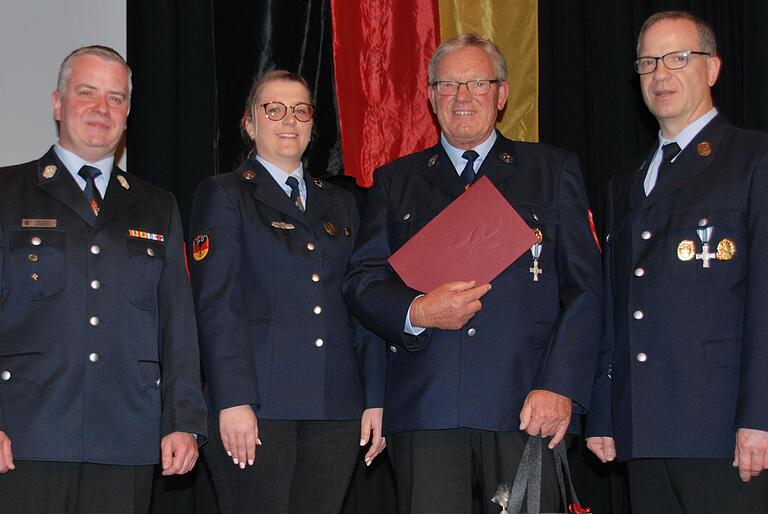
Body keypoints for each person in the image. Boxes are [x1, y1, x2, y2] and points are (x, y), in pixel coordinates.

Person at [342, 34, 602, 514]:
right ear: (430, 97)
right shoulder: (395, 180)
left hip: (526, 403)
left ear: (501, 94)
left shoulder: (550, 170)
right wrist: (416, 310)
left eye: (477, 83)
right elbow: (361, 282)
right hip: (427, 406)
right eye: (448, 84)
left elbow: (584, 289)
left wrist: (560, 385)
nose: (462, 96)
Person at [0, 46, 207, 513]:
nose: (101, 108)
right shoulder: (7, 193)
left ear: (128, 112)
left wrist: (183, 420)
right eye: (87, 92)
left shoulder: (157, 206)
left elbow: (178, 326)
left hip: (126, 434)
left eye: (116, 98)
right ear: (58, 103)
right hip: (27, 435)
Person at [586, 11, 768, 513]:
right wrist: (604, 412)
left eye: (678, 58)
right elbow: (616, 304)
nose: (660, 74)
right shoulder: (627, 182)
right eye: (647, 63)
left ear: (713, 69)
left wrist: (761, 417)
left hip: (723, 428)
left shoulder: (752, 159)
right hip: (643, 426)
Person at [189, 70, 386, 514]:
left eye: (301, 110)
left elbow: (363, 303)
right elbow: (216, 305)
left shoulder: (340, 202)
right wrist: (233, 398)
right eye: (273, 109)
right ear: (249, 122)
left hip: (336, 406)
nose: (288, 120)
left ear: (313, 124)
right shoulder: (224, 194)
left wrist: (374, 397)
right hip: (259, 408)